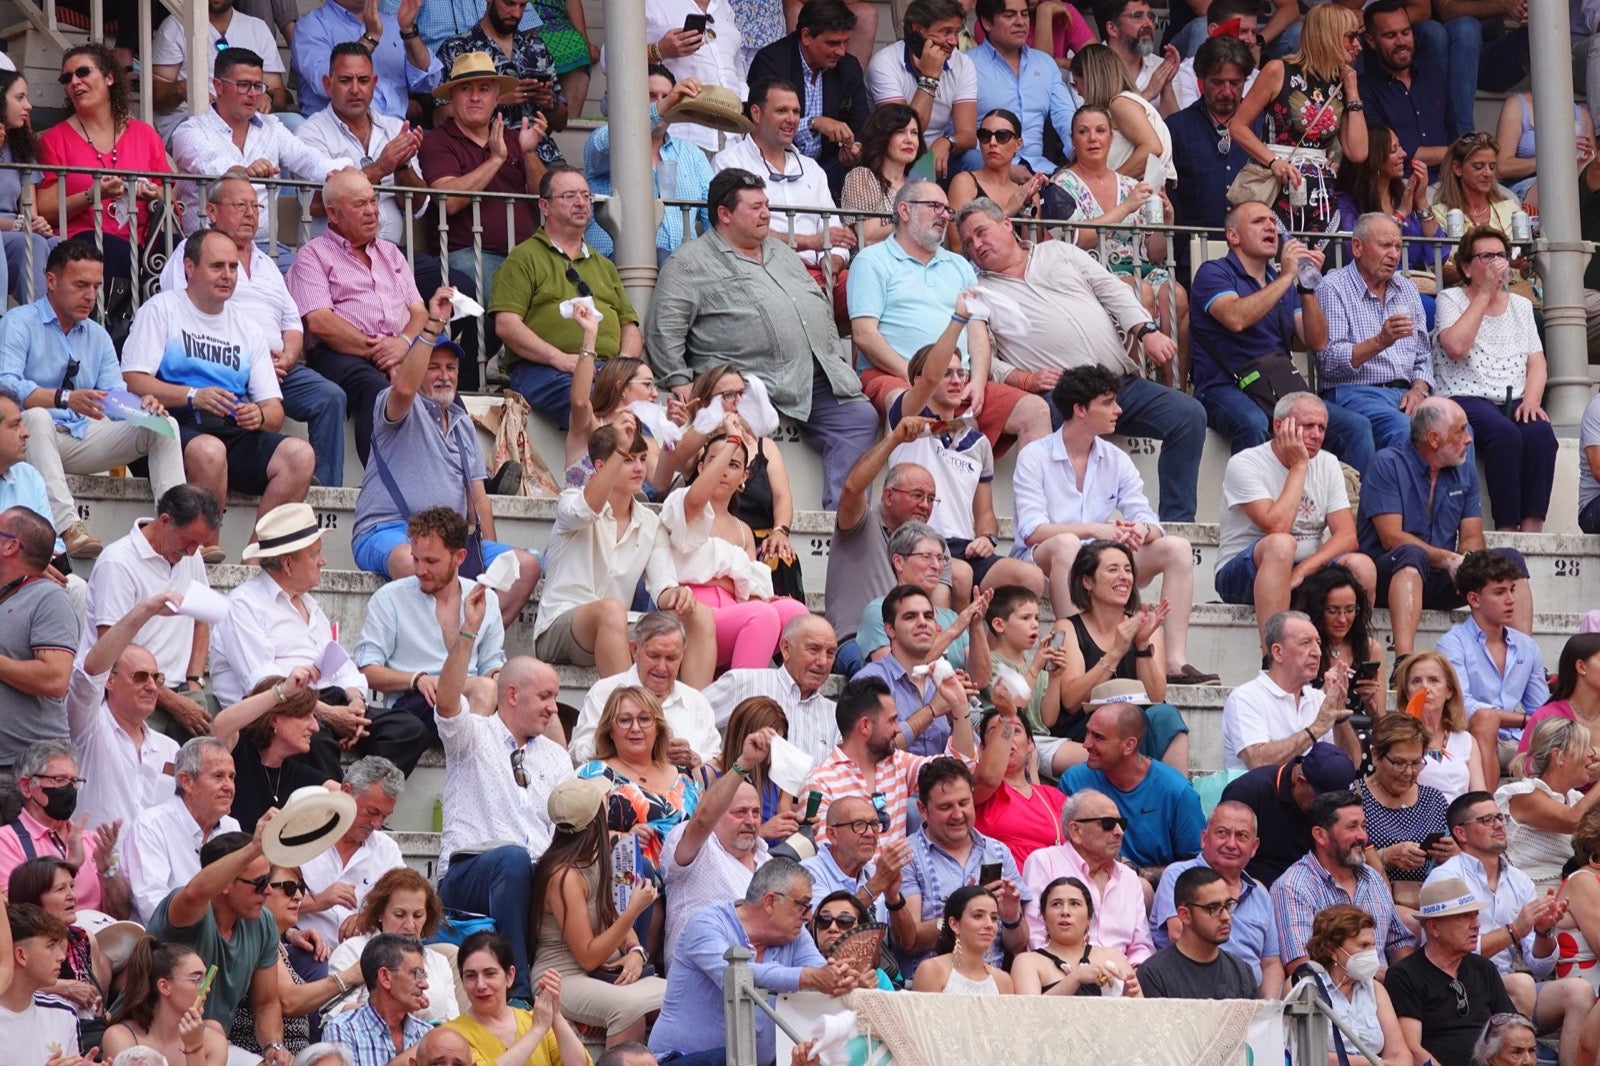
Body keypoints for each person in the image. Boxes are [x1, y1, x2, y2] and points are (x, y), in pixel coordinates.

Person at [954, 200, 1208, 526]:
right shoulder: (979, 290)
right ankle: (1059, 527)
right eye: (969, 242)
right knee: (1045, 427)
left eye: (981, 232)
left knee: (1189, 414)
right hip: (1061, 395)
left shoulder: (1058, 251)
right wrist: (1022, 379)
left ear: (1006, 224)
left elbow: (1112, 291)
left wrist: (1146, 331)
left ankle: (1177, 525)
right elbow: (985, 357)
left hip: (1115, 383)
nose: (977, 245)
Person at [648, 169, 877, 511]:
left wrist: (834, 355)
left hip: (814, 373)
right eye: (755, 207)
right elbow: (664, 329)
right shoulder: (689, 264)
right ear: (724, 214)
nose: (767, 214)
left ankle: (841, 521)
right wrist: (678, 379)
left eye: (767, 205)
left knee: (861, 416)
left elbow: (816, 306)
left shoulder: (781, 252)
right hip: (747, 383)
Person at [346, 293, 541, 628]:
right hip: (389, 531)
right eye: (432, 367)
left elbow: (478, 501)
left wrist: (485, 556)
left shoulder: (463, 423)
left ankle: (472, 646)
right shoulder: (395, 404)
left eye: (450, 368)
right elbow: (405, 390)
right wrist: (433, 325)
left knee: (525, 566)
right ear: (416, 368)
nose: (444, 375)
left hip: (449, 543)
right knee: (416, 563)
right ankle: (441, 654)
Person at [121, 230, 316, 556]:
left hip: (230, 430)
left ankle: (259, 554)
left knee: (300, 455)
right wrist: (191, 395)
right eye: (217, 267)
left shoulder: (248, 327)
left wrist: (260, 415)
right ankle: (206, 547)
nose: (227, 275)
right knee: (209, 450)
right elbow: (133, 381)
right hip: (168, 427)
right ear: (189, 267)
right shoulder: (162, 309)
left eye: (233, 267)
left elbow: (274, 409)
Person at [1010, 367, 1206, 682]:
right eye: (1108, 402)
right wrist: (1095, 530)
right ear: (1080, 409)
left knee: (1177, 548)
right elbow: (1033, 532)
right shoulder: (1035, 456)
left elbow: (1148, 518)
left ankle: (1173, 662)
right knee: (1066, 544)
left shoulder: (1115, 458)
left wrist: (1140, 531)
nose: (1119, 410)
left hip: (1096, 561)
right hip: (1042, 561)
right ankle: (1077, 652)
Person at [210, 502, 428, 780]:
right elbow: (263, 685)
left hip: (325, 699)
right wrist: (327, 713)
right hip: (276, 710)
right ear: (288, 564)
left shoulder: (310, 604)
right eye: (315, 554)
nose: (323, 561)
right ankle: (337, 813)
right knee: (316, 737)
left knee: (407, 729)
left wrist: (355, 702)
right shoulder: (244, 605)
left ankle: (356, 805)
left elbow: (342, 665)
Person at [157, 177, 350, 490]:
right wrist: (246, 361)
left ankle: (324, 490)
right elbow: (182, 314)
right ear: (212, 211)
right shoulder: (190, 255)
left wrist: (288, 356)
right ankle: (255, 470)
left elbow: (292, 321)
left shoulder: (267, 262)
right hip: (222, 364)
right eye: (239, 206)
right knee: (240, 403)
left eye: (255, 206)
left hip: (279, 368)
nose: (250, 213)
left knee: (330, 396)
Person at [434, 586, 575, 1003]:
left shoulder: (555, 757)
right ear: (511, 695)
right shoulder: (473, 736)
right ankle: (520, 995)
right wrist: (468, 632)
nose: (554, 707)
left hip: (533, 879)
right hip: (469, 875)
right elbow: (446, 701)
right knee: (513, 858)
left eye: (556, 696)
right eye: (545, 697)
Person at [0, 240, 182, 559]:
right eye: (80, 285)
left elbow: (112, 398)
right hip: (30, 438)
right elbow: (6, 385)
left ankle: (176, 528)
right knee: (38, 417)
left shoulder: (97, 335)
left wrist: (143, 407)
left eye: (96, 286)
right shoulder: (20, 321)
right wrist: (64, 398)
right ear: (51, 281)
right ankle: (70, 528)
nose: (90, 296)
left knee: (164, 425)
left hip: (81, 437)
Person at [848, 181, 1048, 455]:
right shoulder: (871, 260)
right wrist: (921, 380)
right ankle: (906, 491)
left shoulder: (960, 265)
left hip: (957, 380)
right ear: (904, 211)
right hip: (895, 376)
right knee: (903, 402)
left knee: (1035, 410)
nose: (944, 215)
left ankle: (1033, 500)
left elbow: (977, 331)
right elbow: (864, 335)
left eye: (946, 209)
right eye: (934, 207)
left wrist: (977, 382)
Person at [1187, 201, 1376, 469]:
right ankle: (1254, 507)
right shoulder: (1214, 272)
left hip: (1276, 384)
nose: (1270, 226)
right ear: (1233, 236)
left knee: (1355, 427)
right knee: (1252, 422)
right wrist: (1287, 276)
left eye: (1272, 221)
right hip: (1223, 386)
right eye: (1258, 221)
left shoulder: (1281, 282)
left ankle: (1355, 510)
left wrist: (1307, 284)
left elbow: (1317, 341)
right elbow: (1235, 318)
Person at [286, 169, 449, 472]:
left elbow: (418, 311)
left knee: (441, 386)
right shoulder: (313, 255)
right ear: (333, 214)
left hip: (399, 349)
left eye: (373, 201)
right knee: (377, 392)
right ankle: (385, 482)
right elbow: (320, 322)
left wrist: (401, 345)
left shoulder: (391, 253)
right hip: (339, 354)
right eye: (360, 204)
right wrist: (382, 352)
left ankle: (466, 482)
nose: (373, 211)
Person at [882, 302, 1045, 603]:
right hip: (918, 545)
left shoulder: (977, 441)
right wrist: (960, 319)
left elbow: (984, 514)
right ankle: (955, 649)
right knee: (958, 575)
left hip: (965, 548)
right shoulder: (906, 419)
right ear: (920, 381)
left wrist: (986, 538)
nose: (957, 380)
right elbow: (928, 379)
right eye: (947, 374)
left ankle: (991, 649)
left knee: (1030, 578)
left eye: (961, 373)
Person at [532, 423, 711, 681]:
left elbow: (663, 587)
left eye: (641, 459)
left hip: (616, 627)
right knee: (611, 610)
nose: (639, 468)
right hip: (558, 627)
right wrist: (619, 448)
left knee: (700, 615)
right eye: (627, 460)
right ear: (601, 467)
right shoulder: (571, 499)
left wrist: (678, 594)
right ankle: (625, 712)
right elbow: (586, 510)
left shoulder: (651, 523)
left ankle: (693, 717)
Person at [650, 859, 863, 1065]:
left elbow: (821, 973)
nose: (808, 916)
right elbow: (734, 975)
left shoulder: (794, 935)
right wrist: (808, 977)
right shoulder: (706, 923)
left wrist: (846, 980)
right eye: (803, 906)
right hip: (683, 1059)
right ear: (770, 902)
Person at [1356, 399, 1521, 661]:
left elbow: (1471, 536)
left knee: (1511, 561)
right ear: (1434, 439)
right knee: (1411, 553)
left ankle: (1522, 658)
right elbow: (1391, 538)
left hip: (1441, 578)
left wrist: (1467, 565)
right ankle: (1403, 662)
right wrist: (1449, 560)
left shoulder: (1463, 471)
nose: (1468, 439)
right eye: (1461, 431)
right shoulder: (1387, 463)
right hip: (1391, 577)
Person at [1432, 791, 1593, 1058]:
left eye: (1500, 817)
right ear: (1461, 833)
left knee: (1579, 991)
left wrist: (1543, 931)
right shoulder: (1446, 879)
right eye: (1486, 820)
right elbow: (1450, 953)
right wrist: (1515, 930)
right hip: (1462, 991)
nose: (1498, 824)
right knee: (1521, 983)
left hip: (1510, 993)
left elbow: (1540, 965)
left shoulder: (1519, 880)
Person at [1215, 392, 1377, 641]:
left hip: (1304, 571)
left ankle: (1353, 653)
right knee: (1282, 544)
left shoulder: (1328, 463)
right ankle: (1272, 656)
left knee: (1362, 566)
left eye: (1322, 428)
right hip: (1243, 573)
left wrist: (1302, 571)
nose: (1317, 435)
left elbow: (1347, 536)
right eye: (1308, 426)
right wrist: (1299, 466)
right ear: (1280, 426)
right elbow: (1277, 526)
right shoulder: (1245, 463)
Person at [492, 166, 643, 430]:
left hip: (604, 371)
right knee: (598, 409)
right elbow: (506, 324)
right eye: (569, 196)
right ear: (544, 206)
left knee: (645, 416)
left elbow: (629, 327)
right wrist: (559, 359)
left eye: (586, 196)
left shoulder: (604, 265)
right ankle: (614, 463)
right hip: (546, 370)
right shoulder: (524, 257)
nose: (581, 203)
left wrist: (620, 368)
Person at [1433, 226, 1555, 533]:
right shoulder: (1450, 299)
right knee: (1506, 435)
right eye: (1487, 256)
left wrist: (1531, 400)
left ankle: (1532, 530)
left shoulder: (1522, 306)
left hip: (1513, 398)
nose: (1496, 263)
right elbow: (1456, 346)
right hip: (1465, 396)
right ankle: (1507, 530)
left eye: (1501, 255)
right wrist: (1485, 292)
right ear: (1465, 266)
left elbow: (1537, 363)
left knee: (1540, 434)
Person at [529, 776, 666, 1047]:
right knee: (629, 1010)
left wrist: (635, 953)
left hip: (603, 972)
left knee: (685, 995)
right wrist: (635, 909)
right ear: (595, 822)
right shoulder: (564, 875)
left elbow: (614, 920)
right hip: (562, 977)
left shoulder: (599, 858)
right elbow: (588, 957)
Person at [659, 429, 810, 673]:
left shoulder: (744, 531)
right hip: (693, 612)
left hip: (735, 610)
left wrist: (728, 584)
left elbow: (749, 587)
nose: (723, 470)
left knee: (796, 612)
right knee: (762, 615)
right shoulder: (684, 504)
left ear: (744, 476)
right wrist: (733, 582)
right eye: (716, 461)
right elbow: (681, 573)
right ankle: (741, 701)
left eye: (733, 464)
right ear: (701, 468)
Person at [354, 508, 506, 747]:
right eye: (415, 558)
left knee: (536, 699)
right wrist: (416, 679)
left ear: (460, 557)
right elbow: (365, 670)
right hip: (415, 704)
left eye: (431, 561)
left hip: (471, 699)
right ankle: (470, 767)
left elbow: (491, 664)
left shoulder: (485, 598)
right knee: (484, 689)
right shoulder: (389, 598)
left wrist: (503, 677)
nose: (419, 570)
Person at [145, 826, 291, 1066]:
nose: (268, 891)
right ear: (225, 884)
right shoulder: (189, 909)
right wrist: (254, 846)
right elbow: (194, 893)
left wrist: (273, 1047)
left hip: (213, 1044)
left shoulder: (263, 921)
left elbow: (266, 1003)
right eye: (259, 882)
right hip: (152, 1039)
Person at [168, 48, 347, 242]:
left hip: (267, 251)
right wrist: (243, 172)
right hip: (207, 249)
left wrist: (342, 171)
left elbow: (306, 158)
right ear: (218, 86)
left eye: (258, 86)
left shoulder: (272, 127)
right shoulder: (189, 131)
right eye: (243, 85)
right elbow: (211, 165)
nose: (253, 94)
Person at [82, 484, 219, 736]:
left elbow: (201, 619)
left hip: (182, 690)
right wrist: (173, 701)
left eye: (198, 544)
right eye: (188, 541)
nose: (191, 552)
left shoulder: (191, 556)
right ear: (165, 521)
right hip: (129, 694)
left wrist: (195, 682)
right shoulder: (117, 562)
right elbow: (111, 648)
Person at [711, 78, 854, 313]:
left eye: (796, 111)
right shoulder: (730, 162)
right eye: (781, 111)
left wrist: (831, 268)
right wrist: (809, 242)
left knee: (869, 293)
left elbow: (835, 236)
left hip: (820, 274)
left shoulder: (811, 168)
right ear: (756, 113)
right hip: (760, 269)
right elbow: (738, 231)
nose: (792, 119)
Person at [34, 44, 169, 290]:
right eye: (67, 77)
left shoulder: (145, 134)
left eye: (83, 72)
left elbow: (169, 194)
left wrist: (153, 193)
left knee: (183, 250)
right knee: (114, 253)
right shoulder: (53, 140)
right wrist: (94, 195)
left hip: (144, 241)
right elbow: (44, 208)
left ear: (109, 77)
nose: (74, 81)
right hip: (84, 240)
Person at [1227, 4, 1367, 233]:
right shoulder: (1278, 70)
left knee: (1327, 264)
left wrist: (1352, 91)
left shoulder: (1342, 83)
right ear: (1328, 36)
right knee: (1281, 263)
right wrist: (1273, 161)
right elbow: (1238, 126)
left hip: (1320, 193)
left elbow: (1358, 152)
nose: (1357, 45)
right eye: (1350, 37)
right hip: (1278, 184)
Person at [1050, 105, 1181, 352]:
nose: (1093, 138)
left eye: (1100, 130)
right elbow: (1075, 239)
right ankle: (1135, 386)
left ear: (1111, 137)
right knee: (1139, 292)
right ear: (1073, 140)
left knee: (1176, 295)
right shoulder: (1062, 184)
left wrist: (1166, 221)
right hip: (1091, 272)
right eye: (1083, 131)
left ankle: (1175, 387)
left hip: (1137, 268)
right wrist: (1127, 207)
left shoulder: (1130, 184)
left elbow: (1154, 254)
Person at [891, 758, 1029, 978]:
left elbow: (1017, 945)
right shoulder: (907, 856)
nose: (957, 815)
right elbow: (910, 940)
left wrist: (1012, 918)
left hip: (991, 983)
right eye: (945, 807)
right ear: (923, 810)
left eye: (964, 803)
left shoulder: (998, 852)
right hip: (933, 987)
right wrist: (962, 911)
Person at [802, 675, 977, 845]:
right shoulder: (819, 784)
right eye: (892, 720)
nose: (898, 729)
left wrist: (960, 706)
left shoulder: (898, 762)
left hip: (905, 875)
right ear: (865, 726)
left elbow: (958, 770)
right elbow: (825, 858)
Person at [1314, 213, 1437, 454]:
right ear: (1357, 247)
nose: (1393, 254)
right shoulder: (1333, 287)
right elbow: (1328, 361)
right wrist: (1381, 341)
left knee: (1459, 429)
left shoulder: (1407, 288)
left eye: (1398, 247)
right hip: (1354, 392)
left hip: (1405, 393)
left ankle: (1451, 494)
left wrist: (1419, 390)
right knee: (1406, 431)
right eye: (1384, 246)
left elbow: (1423, 355)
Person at [66, 592, 184, 836]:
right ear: (110, 681)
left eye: (156, 678)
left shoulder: (171, 748)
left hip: (153, 869)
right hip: (94, 865)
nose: (152, 686)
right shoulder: (88, 726)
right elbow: (90, 671)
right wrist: (146, 610)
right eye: (140, 677)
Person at [660, 727, 778, 964]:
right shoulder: (698, 847)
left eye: (756, 813)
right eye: (739, 812)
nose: (750, 820)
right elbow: (703, 819)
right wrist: (743, 763)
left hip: (768, 978)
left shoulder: (768, 861)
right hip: (703, 976)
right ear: (717, 812)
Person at [298, 43, 429, 251]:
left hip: (391, 254)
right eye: (345, 80)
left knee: (456, 281)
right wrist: (380, 168)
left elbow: (418, 206)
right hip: (335, 255)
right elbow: (315, 205)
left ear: (374, 83)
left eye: (364, 80)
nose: (355, 89)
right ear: (327, 84)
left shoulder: (396, 128)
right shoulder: (310, 132)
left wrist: (402, 167)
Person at [1271, 790, 1417, 974]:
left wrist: (1408, 981)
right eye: (1352, 827)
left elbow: (1398, 941)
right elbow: (1302, 966)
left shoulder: (1373, 878)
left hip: (1385, 997)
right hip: (1329, 998)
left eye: (1363, 826)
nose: (1362, 836)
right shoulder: (1293, 887)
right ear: (1320, 835)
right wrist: (1382, 977)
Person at [230, 860, 362, 1060]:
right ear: (263, 891)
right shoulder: (256, 938)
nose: (299, 896)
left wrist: (289, 934)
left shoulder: (278, 941)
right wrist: (351, 975)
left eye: (300, 887)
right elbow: (288, 1001)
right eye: (289, 888)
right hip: (262, 1057)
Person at [1435, 549, 1543, 789]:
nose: (1510, 600)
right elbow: (1464, 707)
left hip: (1518, 742)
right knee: (1485, 720)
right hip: (1471, 739)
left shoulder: (1527, 646)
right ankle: (1486, 809)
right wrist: (1523, 719)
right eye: (1499, 592)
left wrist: (1528, 724)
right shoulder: (1452, 643)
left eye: (1512, 590)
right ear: (1474, 599)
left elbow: (1541, 710)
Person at [1150, 802, 1283, 994]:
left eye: (1241, 836)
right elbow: (1178, 934)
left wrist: (1267, 1013)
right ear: (1204, 838)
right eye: (1222, 833)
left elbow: (1271, 963)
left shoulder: (1260, 893)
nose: (1231, 844)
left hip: (1250, 1005)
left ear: (1254, 847)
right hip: (1192, 995)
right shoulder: (1179, 876)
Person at [582, 68, 713, 262]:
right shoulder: (606, 138)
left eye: (667, 97)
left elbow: (716, 217)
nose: (660, 103)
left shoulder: (691, 153)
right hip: (612, 268)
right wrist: (663, 106)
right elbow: (610, 141)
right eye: (651, 95)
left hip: (681, 271)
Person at [576, 686, 699, 886]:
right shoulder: (597, 773)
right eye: (625, 720)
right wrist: (624, 838)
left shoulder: (684, 775)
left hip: (689, 886)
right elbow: (579, 837)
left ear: (658, 728)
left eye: (644, 719)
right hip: (628, 885)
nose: (635, 728)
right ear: (610, 731)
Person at [1387, 878, 1516, 1066]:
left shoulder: (1483, 968)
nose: (1476, 925)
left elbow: (1511, 1030)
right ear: (1434, 928)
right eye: (1464, 916)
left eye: (1476, 915)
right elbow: (1411, 1048)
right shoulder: (1404, 975)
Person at [0, 503, 77, 821]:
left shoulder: (49, 598)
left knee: (25, 871)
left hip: (24, 774)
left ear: (10, 545)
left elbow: (55, 679)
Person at [1062, 702, 1203, 873]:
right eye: (1087, 733)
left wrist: (1135, 875)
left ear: (1128, 745)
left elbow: (1196, 866)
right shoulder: (1074, 780)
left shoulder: (1177, 791)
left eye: (1098, 737)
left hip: (1152, 890)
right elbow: (1063, 847)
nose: (1085, 744)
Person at [856, 581, 991, 756]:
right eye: (910, 617)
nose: (922, 623)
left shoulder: (944, 679)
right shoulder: (869, 680)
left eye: (928, 616)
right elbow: (872, 750)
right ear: (889, 629)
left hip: (943, 780)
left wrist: (958, 713)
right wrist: (932, 710)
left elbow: (969, 760)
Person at [747, 0, 869, 194]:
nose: (841, 51)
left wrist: (855, 149)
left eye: (846, 42)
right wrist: (814, 123)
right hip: (774, 164)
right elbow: (762, 126)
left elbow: (862, 125)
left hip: (828, 168)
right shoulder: (771, 62)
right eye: (833, 43)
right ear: (806, 36)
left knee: (866, 171)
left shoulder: (848, 67)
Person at [1020, 790, 1155, 963]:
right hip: (1062, 977)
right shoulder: (1044, 862)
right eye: (1108, 824)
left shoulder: (1128, 877)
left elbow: (1141, 946)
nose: (1119, 832)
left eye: (1121, 823)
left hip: (1122, 980)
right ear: (1076, 831)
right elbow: (1037, 935)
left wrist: (1131, 976)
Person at [569, 612, 722, 765]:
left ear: (682, 655)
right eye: (654, 656)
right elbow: (578, 752)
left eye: (671, 658)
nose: (662, 667)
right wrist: (634, 750)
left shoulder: (696, 701)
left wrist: (693, 758)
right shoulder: (605, 692)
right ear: (634, 649)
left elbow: (717, 759)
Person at [0, 741, 128, 918]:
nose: (69, 789)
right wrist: (71, 866)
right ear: (26, 786)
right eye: (59, 780)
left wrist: (106, 868)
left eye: (74, 781)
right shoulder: (6, 841)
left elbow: (121, 915)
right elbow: (18, 916)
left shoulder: (92, 841)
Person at [122, 738, 242, 923]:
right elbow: (154, 908)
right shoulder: (151, 826)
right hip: (168, 944)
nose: (229, 787)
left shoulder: (231, 827)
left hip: (223, 940)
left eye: (231, 777)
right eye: (218, 776)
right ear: (187, 781)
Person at [1223, 610, 1359, 771]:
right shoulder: (1245, 697)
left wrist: (1339, 715)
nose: (1318, 652)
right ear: (1278, 652)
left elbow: (1352, 764)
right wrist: (1315, 729)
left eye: (1318, 643)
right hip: (1261, 795)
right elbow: (1258, 762)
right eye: (1306, 643)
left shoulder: (1318, 698)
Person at [700, 609, 839, 763]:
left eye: (830, 653)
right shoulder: (744, 683)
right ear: (786, 649)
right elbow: (689, 717)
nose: (823, 662)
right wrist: (705, 762)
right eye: (813, 649)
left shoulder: (834, 715)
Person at [325, 867, 459, 1024]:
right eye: (400, 915)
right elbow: (334, 1013)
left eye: (418, 915)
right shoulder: (353, 951)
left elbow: (454, 1021)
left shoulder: (439, 961)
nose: (410, 925)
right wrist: (398, 1011)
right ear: (380, 913)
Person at [296, 757, 406, 946]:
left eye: (385, 817)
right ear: (346, 792)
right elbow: (269, 901)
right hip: (307, 951)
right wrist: (317, 901)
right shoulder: (300, 836)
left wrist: (368, 918)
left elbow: (408, 900)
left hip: (365, 958)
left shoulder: (386, 849)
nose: (377, 824)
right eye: (371, 812)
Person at [865, 0, 978, 180]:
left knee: (974, 159)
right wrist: (930, 77)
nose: (954, 42)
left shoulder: (962, 64)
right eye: (946, 32)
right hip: (895, 156)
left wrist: (947, 142)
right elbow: (904, 129)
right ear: (917, 30)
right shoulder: (885, 63)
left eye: (956, 32)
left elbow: (969, 135)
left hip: (937, 156)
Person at [962, 0, 1075, 175]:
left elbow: (1066, 118)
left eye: (1024, 14)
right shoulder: (966, 65)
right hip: (987, 172)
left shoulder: (1045, 63)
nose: (1021, 22)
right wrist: (1006, 171)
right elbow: (960, 135)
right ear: (986, 22)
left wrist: (1079, 152)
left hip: (1042, 170)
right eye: (1009, 15)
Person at [1222, 743, 1359, 886]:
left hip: (1320, 889)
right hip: (1255, 891)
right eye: (1323, 800)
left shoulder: (1333, 807)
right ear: (1299, 781)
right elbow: (1224, 858)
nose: (1328, 809)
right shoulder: (1249, 792)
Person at [442, 932, 587, 1066]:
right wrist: (537, 1030)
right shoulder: (452, 1035)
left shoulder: (534, 1020)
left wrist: (555, 1014)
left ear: (510, 976)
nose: (480, 985)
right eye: (471, 976)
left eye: (490, 974)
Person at [7, 856, 109, 1045]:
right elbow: (8, 984)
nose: (72, 896)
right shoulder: (11, 940)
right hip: (31, 1034)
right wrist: (64, 988)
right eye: (61, 889)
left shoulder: (84, 938)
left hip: (84, 1032)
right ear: (33, 899)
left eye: (72, 886)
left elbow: (96, 1003)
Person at [1356, 714, 1453, 908]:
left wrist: (1451, 853)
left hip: (1432, 903)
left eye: (1416, 762)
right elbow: (1337, 860)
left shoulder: (1434, 799)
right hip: (1374, 903)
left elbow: (1459, 856)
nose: (1408, 772)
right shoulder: (1354, 799)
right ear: (1375, 755)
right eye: (1399, 763)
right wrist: (1384, 857)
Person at [434, 0, 568, 139]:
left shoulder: (536, 47)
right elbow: (441, 118)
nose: (516, 13)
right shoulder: (457, 48)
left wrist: (550, 103)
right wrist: (497, 99)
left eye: (522, 6)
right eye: (509, 4)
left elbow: (561, 124)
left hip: (541, 151)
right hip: (483, 151)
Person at [209, 672, 324, 834]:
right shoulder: (238, 750)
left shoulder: (299, 773)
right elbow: (220, 725)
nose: (315, 727)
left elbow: (347, 799)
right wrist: (283, 691)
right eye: (305, 716)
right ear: (274, 719)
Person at [290, 0, 443, 120]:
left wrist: (409, 31)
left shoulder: (393, 23)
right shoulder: (310, 26)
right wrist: (371, 37)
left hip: (397, 134)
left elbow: (429, 82)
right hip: (336, 139)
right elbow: (325, 83)